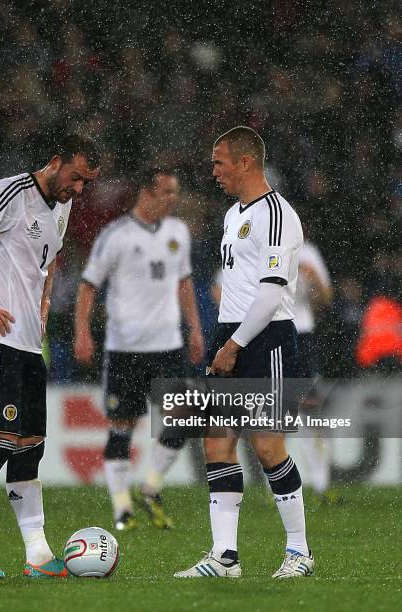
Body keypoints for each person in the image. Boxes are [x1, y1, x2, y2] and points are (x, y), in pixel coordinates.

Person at [0, 133, 100, 579]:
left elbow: (48, 266)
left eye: (87, 183)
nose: (79, 190)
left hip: (29, 345)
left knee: (30, 448)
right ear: (55, 162)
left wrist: (45, 309)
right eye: (76, 178)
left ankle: (38, 554)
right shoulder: (12, 191)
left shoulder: (63, 208)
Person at [175, 126, 314, 579]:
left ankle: (299, 553)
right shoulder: (234, 214)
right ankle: (224, 557)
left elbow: (273, 293)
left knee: (268, 446)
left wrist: (234, 346)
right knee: (216, 442)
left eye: (219, 162)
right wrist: (224, 341)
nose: (213, 171)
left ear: (246, 162)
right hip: (229, 335)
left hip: (267, 338)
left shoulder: (277, 215)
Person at [74, 167, 204, 531]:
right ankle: (121, 510)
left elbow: (184, 282)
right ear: (146, 193)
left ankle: (150, 486)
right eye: (167, 191)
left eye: (176, 192)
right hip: (125, 349)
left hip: (168, 346)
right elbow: (88, 286)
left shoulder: (178, 232)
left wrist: (194, 329)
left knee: (185, 417)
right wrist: (82, 331)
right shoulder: (115, 236)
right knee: (121, 428)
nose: (173, 199)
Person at [293, 238, 335, 502]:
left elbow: (325, 300)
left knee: (310, 410)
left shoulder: (307, 253)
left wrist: (314, 281)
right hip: (269, 333)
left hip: (301, 334)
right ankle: (274, 485)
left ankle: (321, 485)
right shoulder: (259, 248)